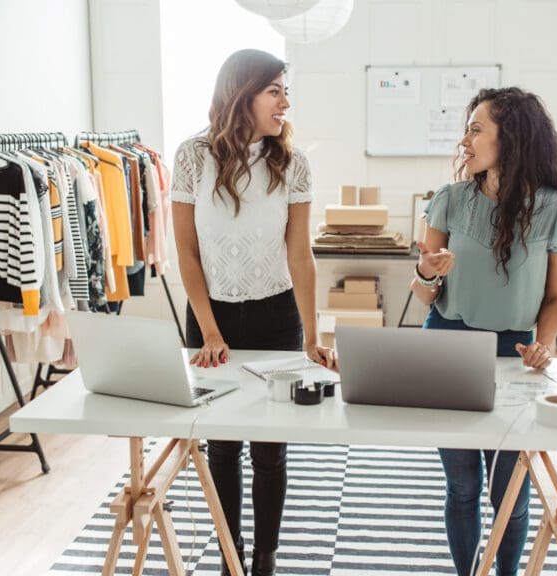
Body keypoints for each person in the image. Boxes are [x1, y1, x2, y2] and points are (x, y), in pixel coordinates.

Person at [171, 48, 337, 576]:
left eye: (286, 91)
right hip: (211, 315)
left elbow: (299, 253)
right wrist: (211, 331)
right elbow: (188, 253)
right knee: (221, 443)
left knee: (269, 444)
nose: (286, 102)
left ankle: (264, 557)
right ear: (242, 94)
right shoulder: (192, 156)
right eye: (276, 90)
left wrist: (314, 335)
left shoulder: (293, 161)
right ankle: (229, 554)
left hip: (275, 314)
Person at [411, 87, 557, 576]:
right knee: (463, 485)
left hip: (514, 353)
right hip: (447, 342)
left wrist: (543, 344)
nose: (464, 141)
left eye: (475, 129)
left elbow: (555, 299)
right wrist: (428, 271)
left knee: (509, 487)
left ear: (509, 139)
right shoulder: (449, 200)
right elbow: (426, 294)